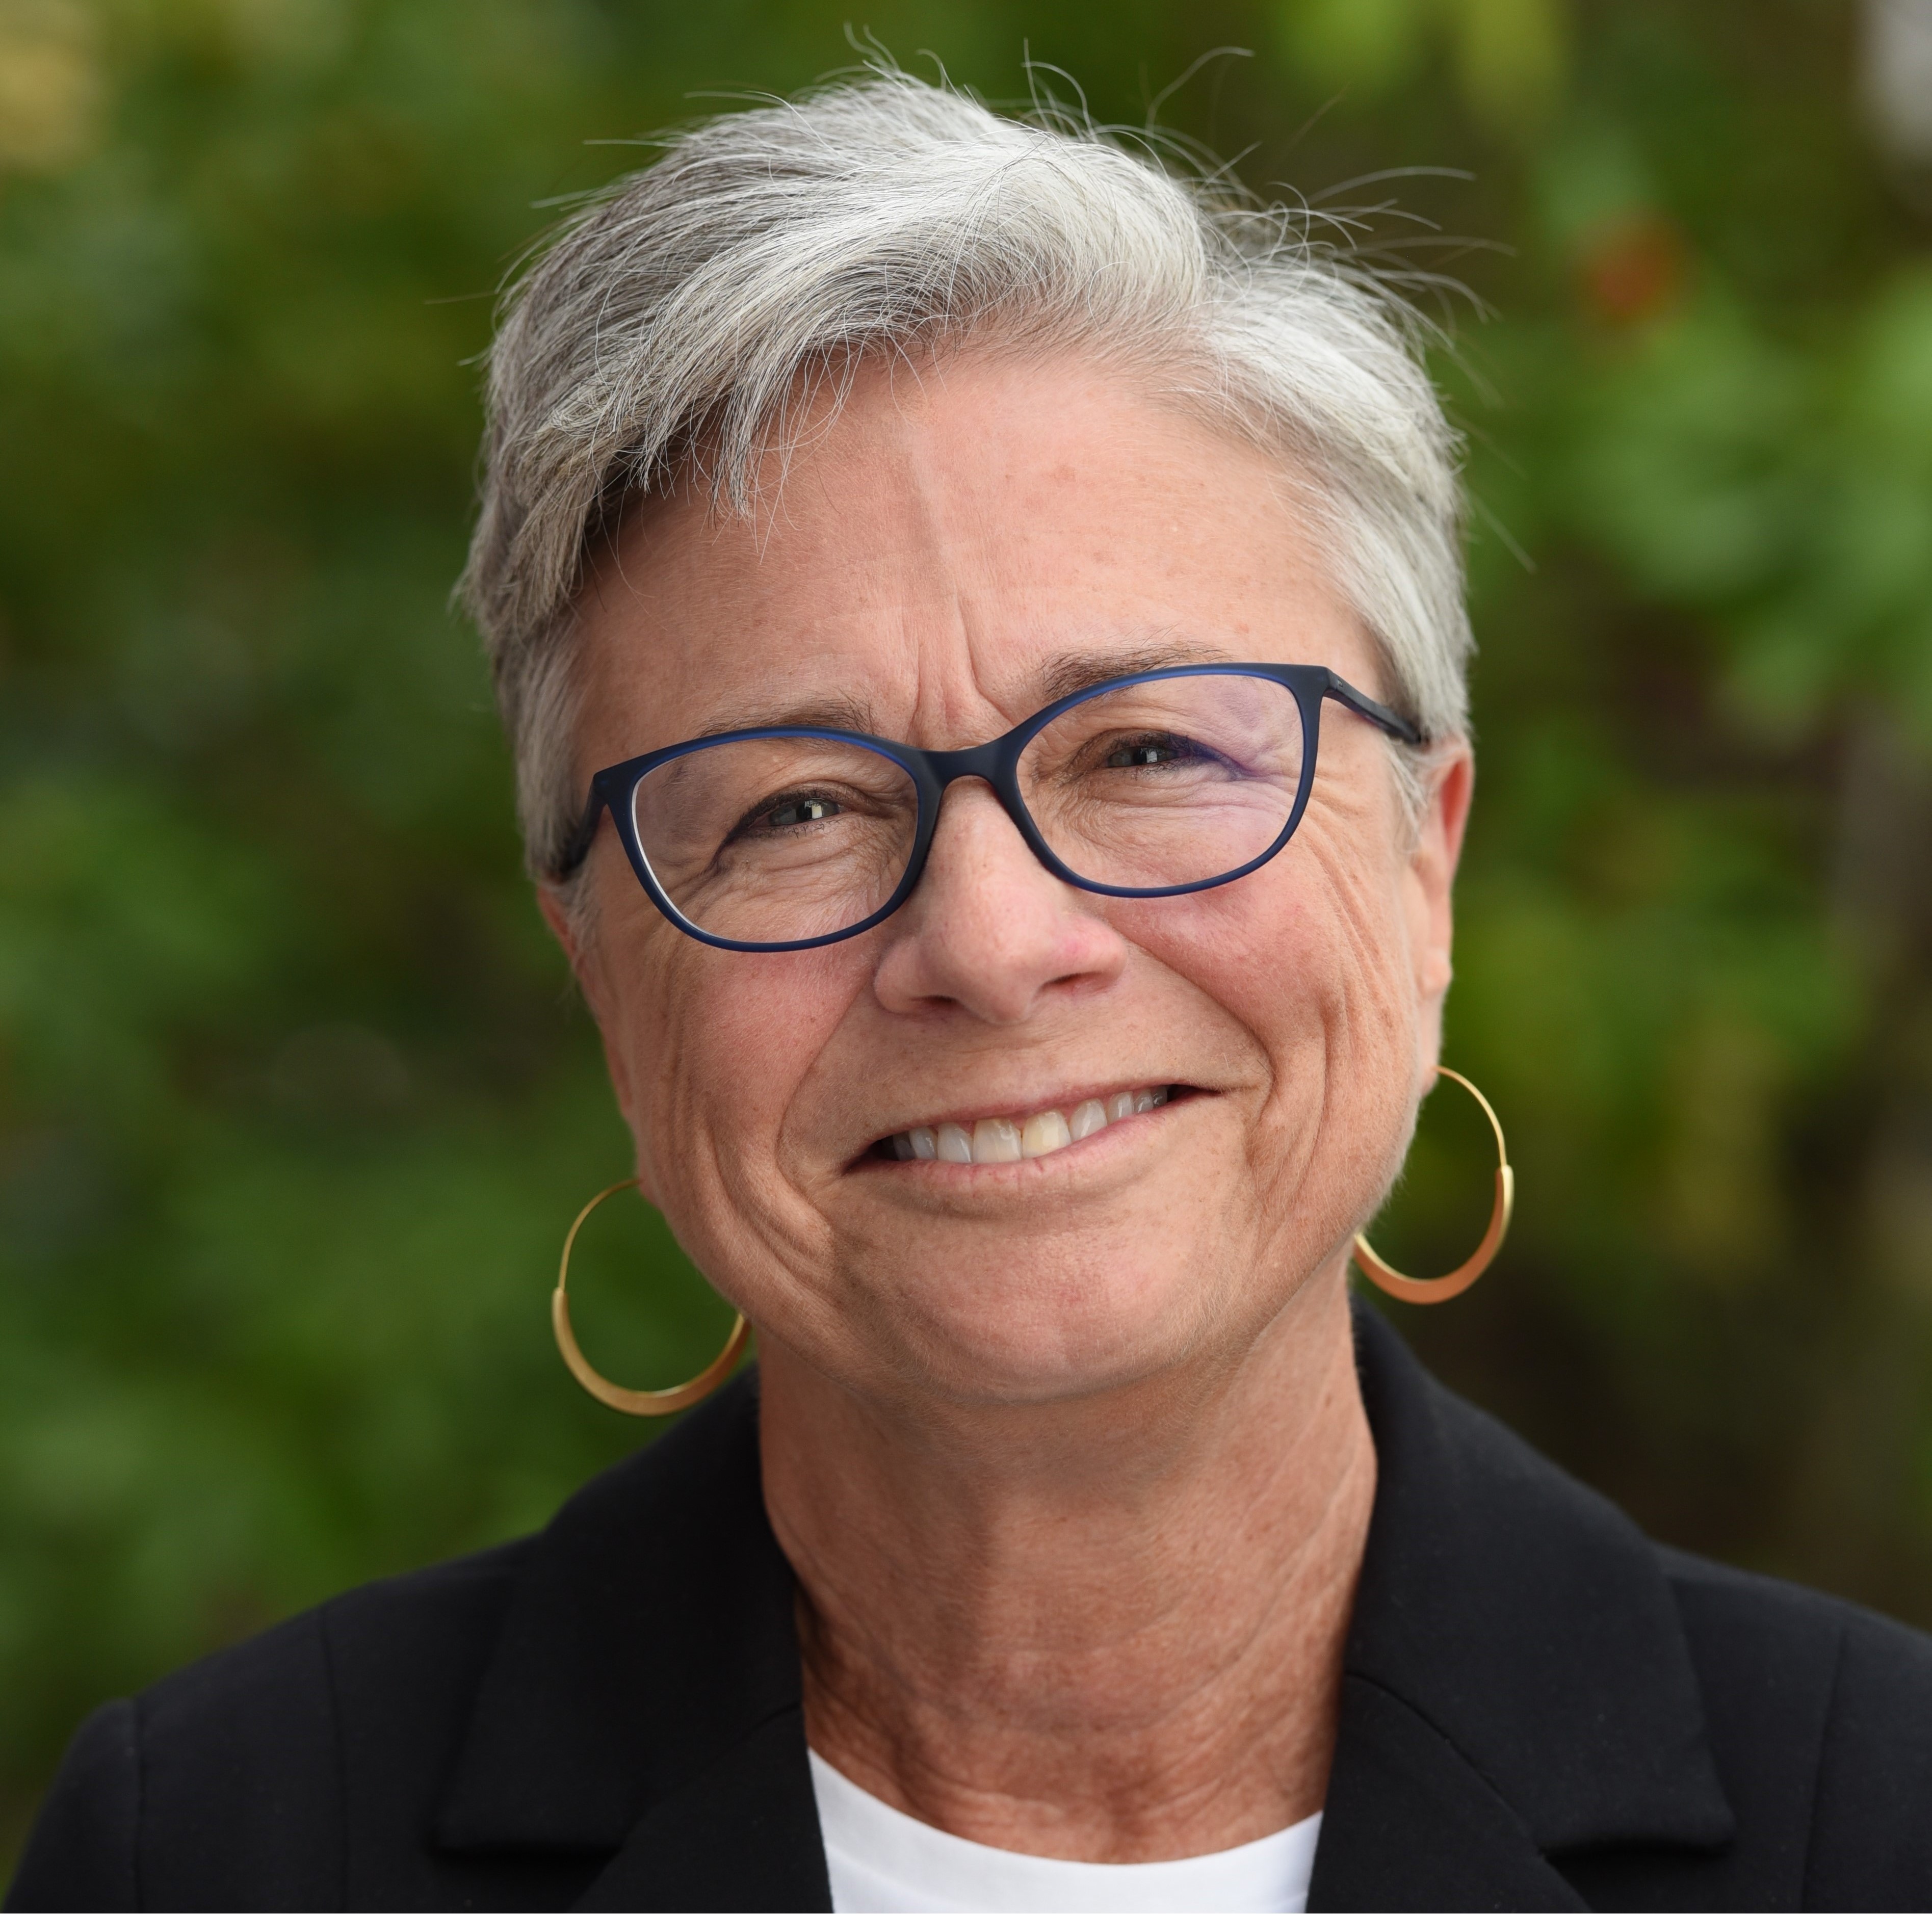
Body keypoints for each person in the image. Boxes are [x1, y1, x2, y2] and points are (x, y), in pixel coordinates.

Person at [10, 71, 1932, 1914]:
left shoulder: (1889, 1828)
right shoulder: (227, 1852)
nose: (996, 946)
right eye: (796, 808)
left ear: (1423, 862)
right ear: (602, 974)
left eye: (1152, 754)